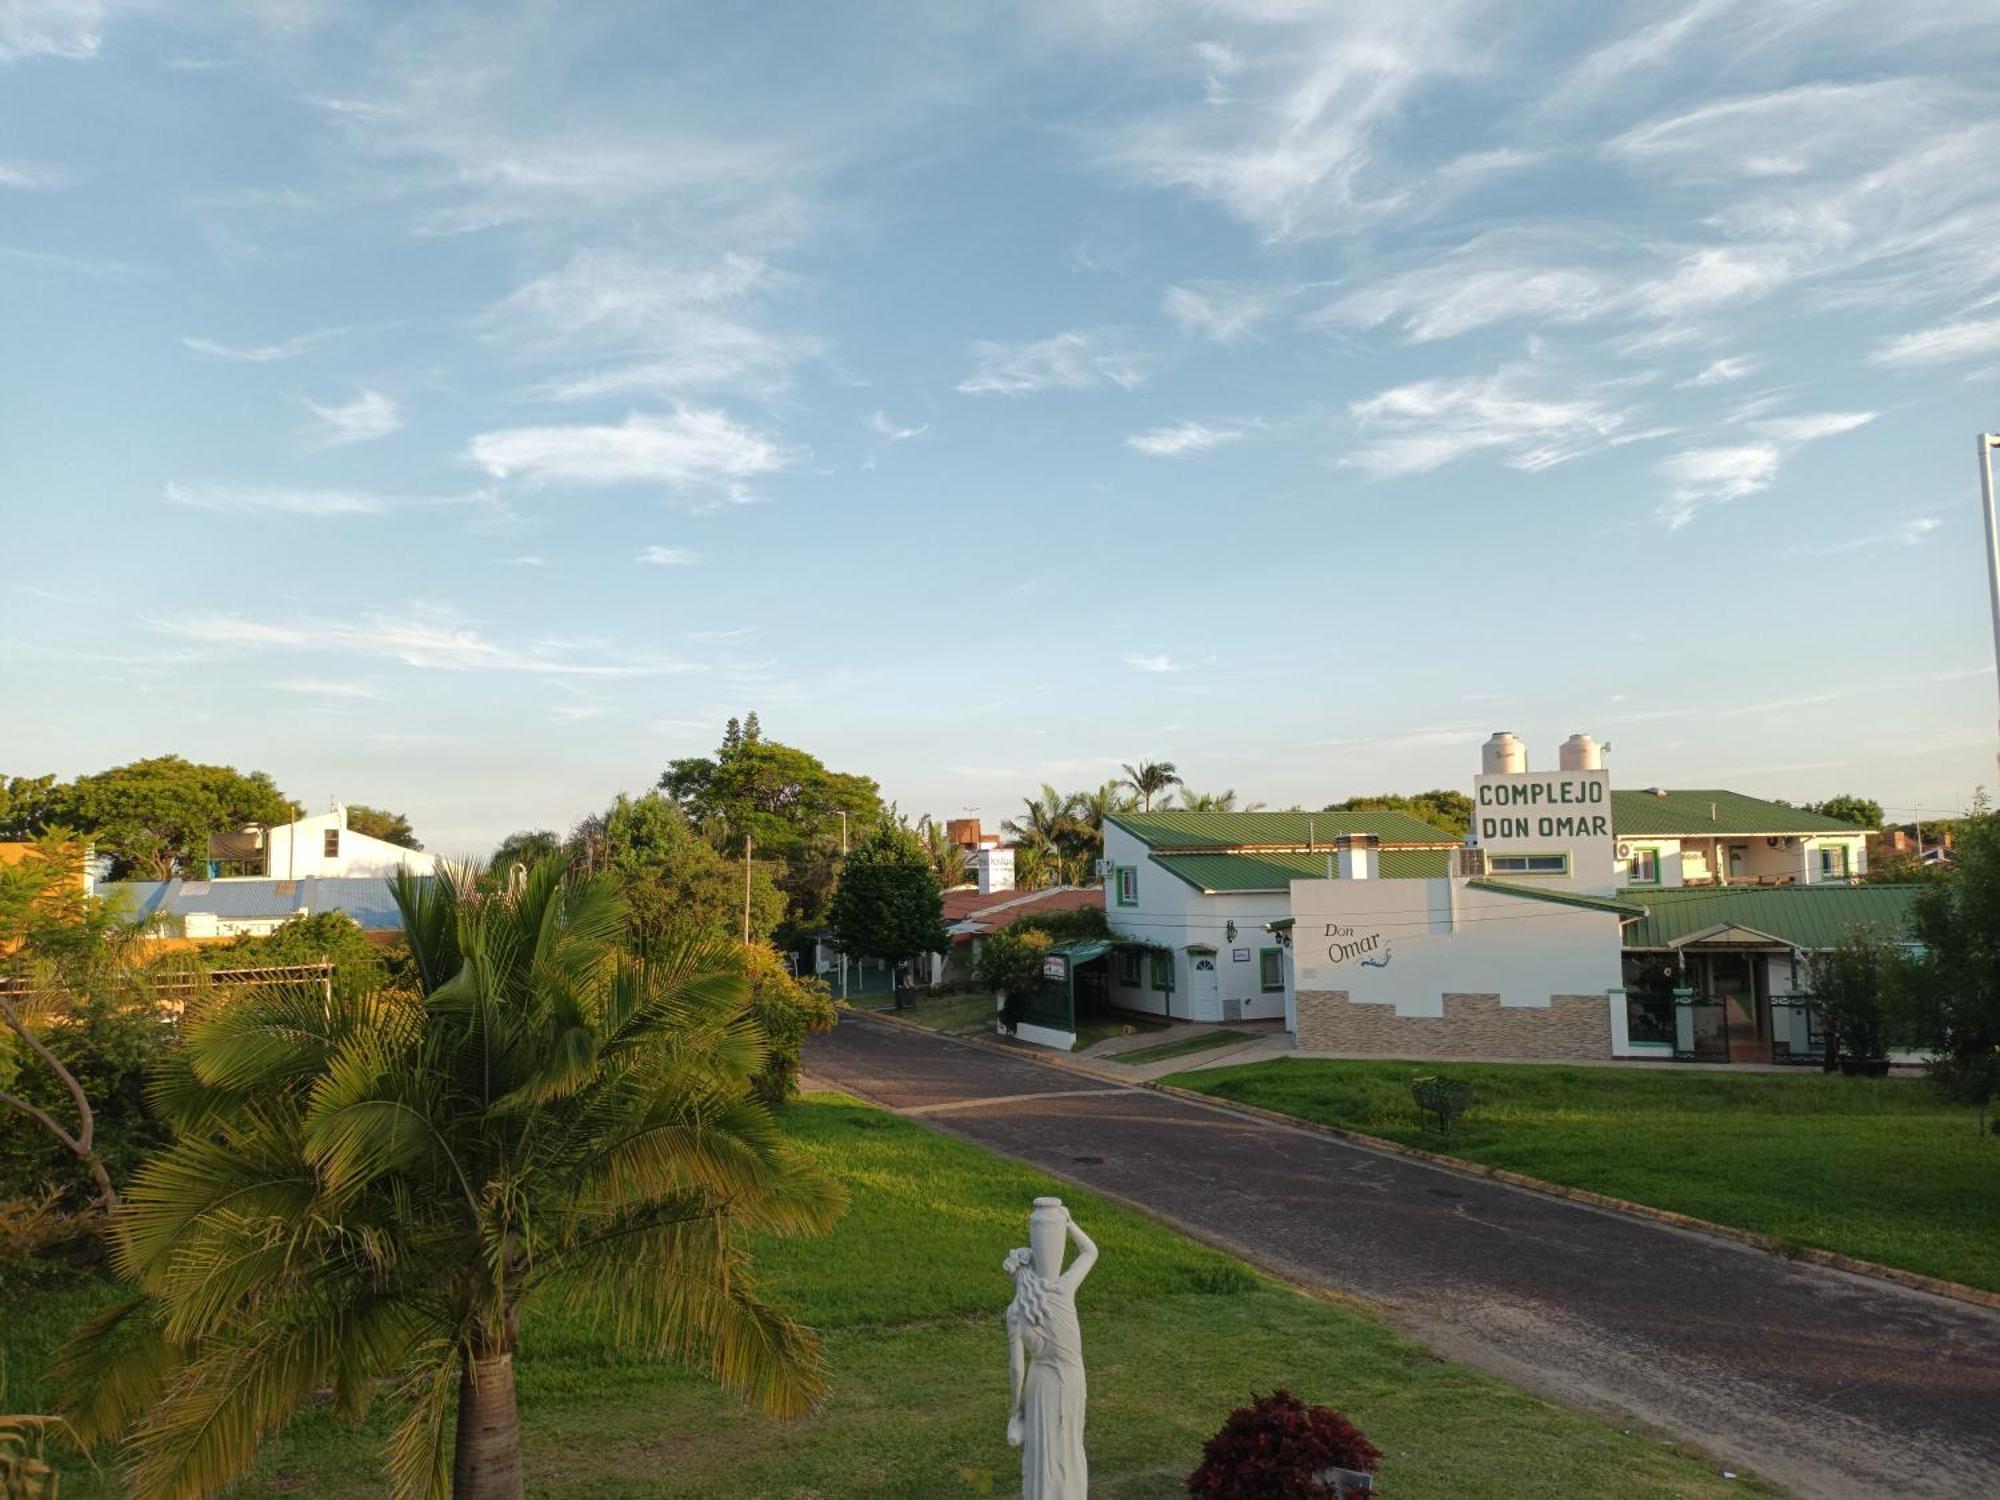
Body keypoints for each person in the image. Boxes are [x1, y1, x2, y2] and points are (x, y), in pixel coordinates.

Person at [1003, 1204, 1097, 1500]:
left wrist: (1015, 1412)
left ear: (1016, 1275)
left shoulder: (1015, 1312)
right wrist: (1069, 1223)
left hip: (1040, 1383)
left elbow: (1017, 1369)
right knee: (1069, 1445)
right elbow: (1090, 1252)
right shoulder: (1064, 1288)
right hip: (1072, 1379)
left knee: (1042, 1452)